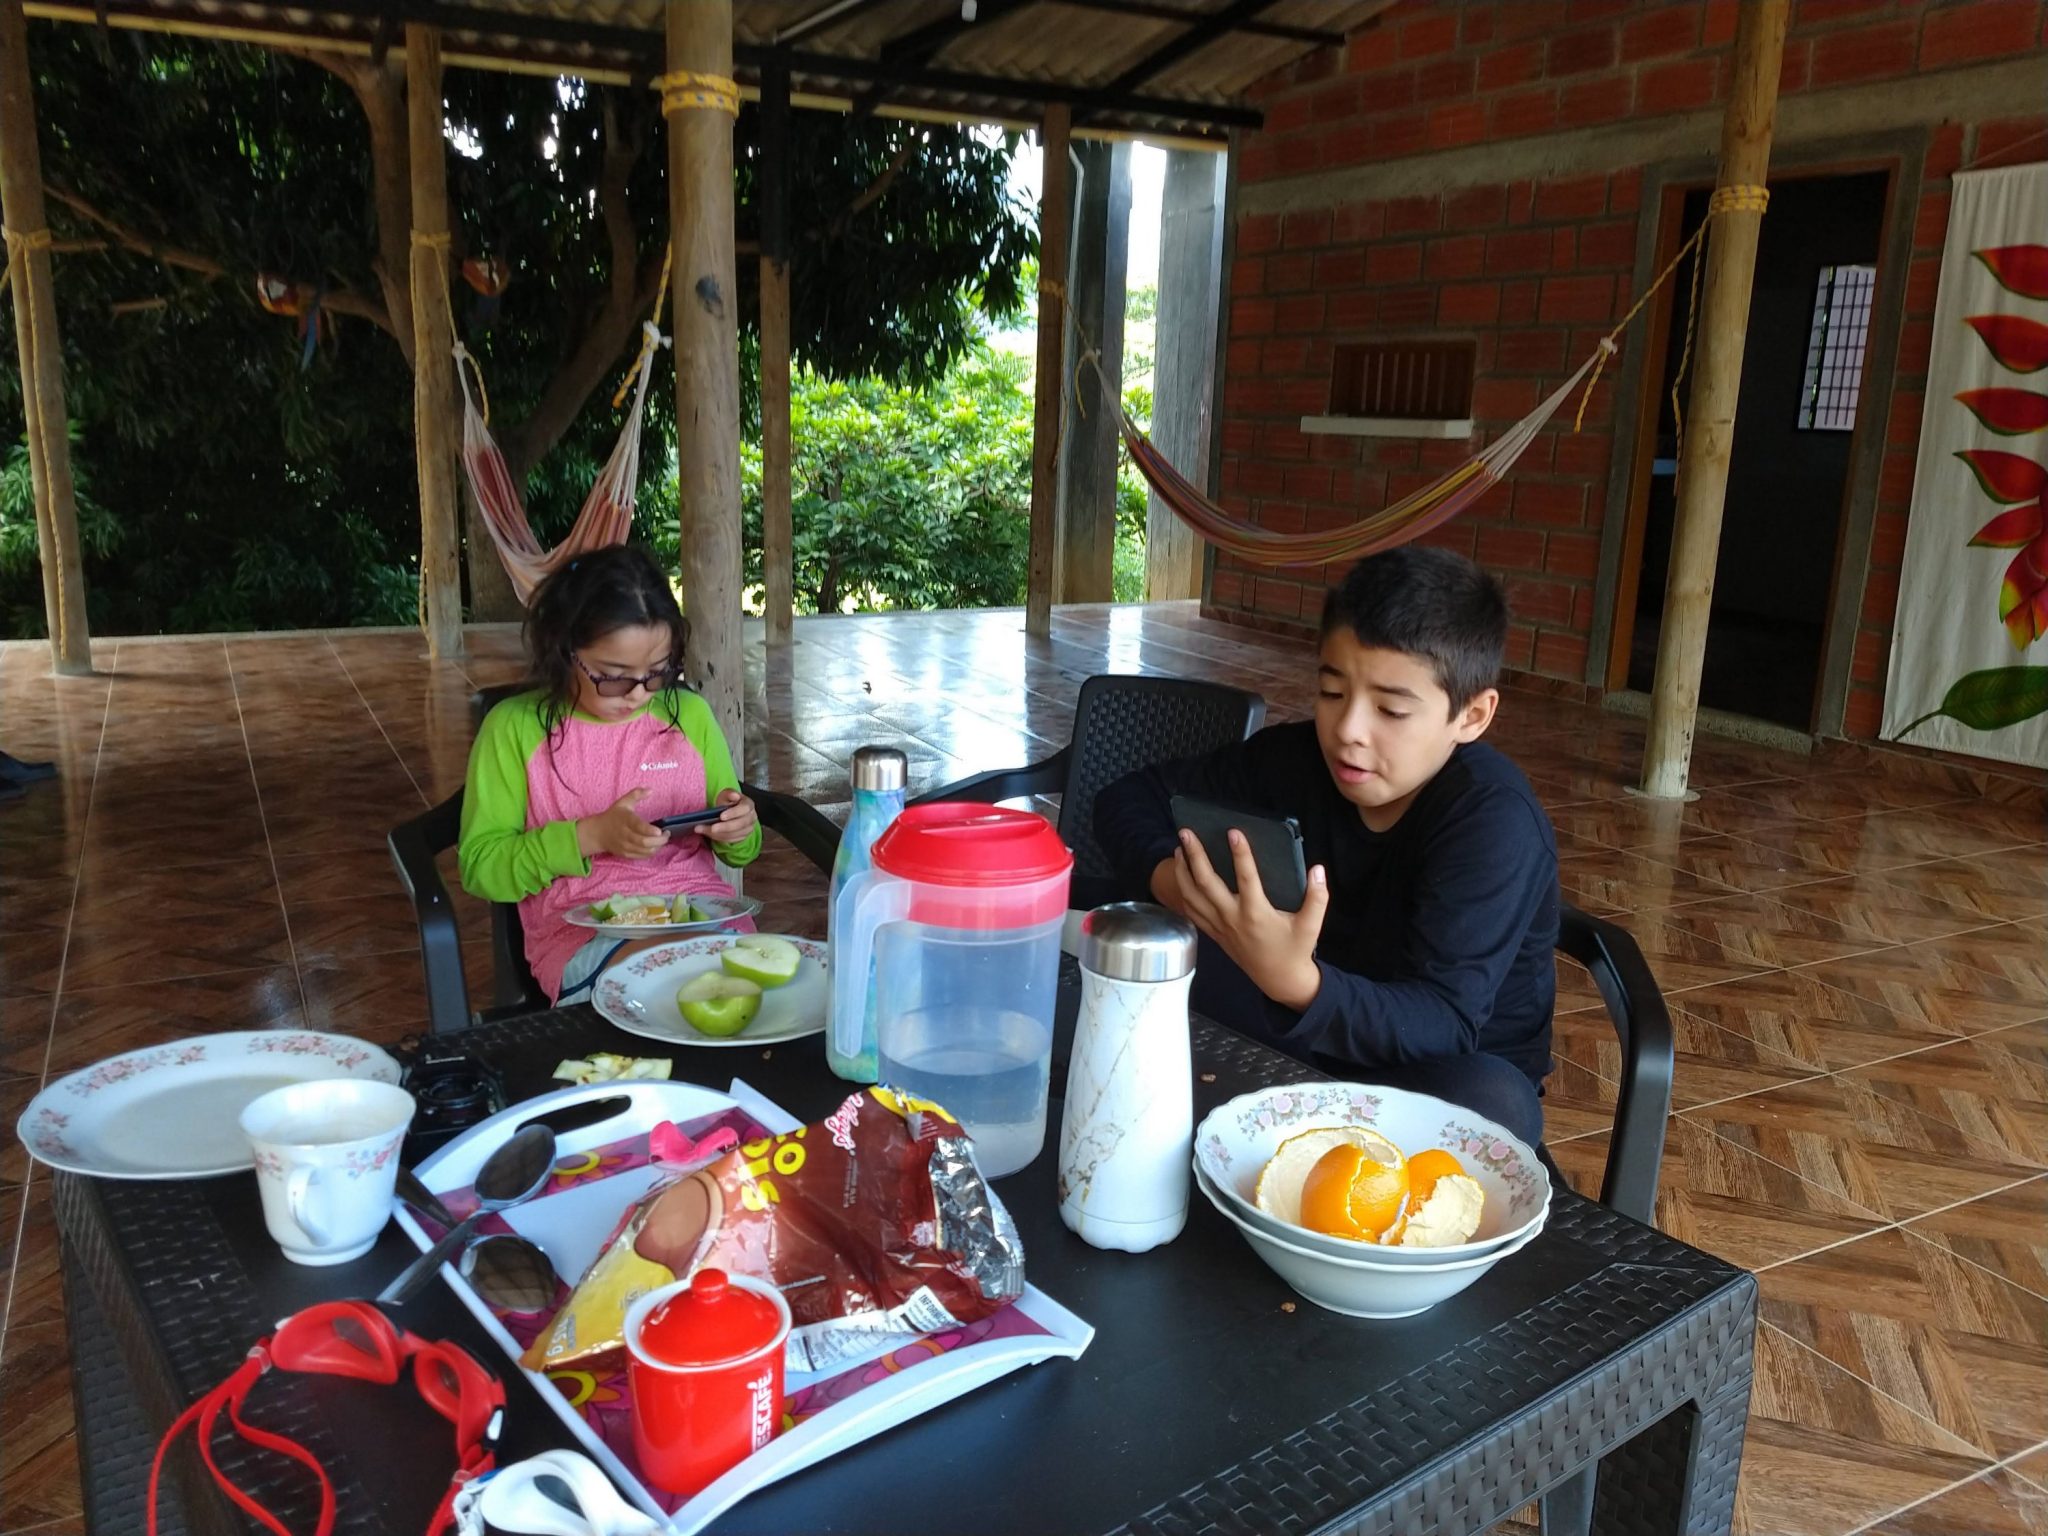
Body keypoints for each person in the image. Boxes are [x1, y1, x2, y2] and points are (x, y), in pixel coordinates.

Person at [1093, 547, 1557, 1144]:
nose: (1348, 731)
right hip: (1299, 1029)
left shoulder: (1493, 820)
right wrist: (1170, 884)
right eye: (1332, 692)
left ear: (1472, 716)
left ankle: (1266, 1127)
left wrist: (1294, 979)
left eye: (1391, 709)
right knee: (1136, 946)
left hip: (1425, 1066)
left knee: (1496, 1103)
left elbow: (1443, 1021)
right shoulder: (1298, 758)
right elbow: (1130, 797)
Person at [460, 545, 760, 1004]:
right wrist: (588, 837)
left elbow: (742, 851)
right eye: (614, 676)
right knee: (671, 990)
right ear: (565, 652)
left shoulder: (689, 717)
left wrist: (738, 828)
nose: (639, 694)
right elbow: (482, 867)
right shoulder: (516, 730)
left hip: (702, 915)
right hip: (581, 931)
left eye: (659, 674)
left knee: (752, 990)